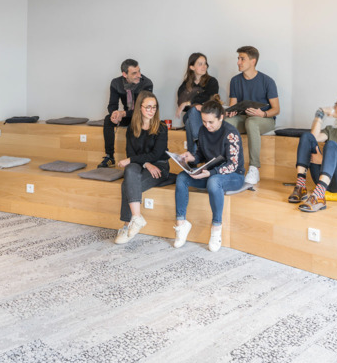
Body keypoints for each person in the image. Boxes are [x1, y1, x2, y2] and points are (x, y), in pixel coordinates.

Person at [172, 98, 244, 252]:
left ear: (221, 118)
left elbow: (232, 165)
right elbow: (201, 155)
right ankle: (181, 224)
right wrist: (191, 158)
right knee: (181, 178)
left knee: (214, 181)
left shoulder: (231, 133)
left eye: (211, 122)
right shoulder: (203, 131)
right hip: (210, 174)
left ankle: (216, 228)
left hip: (233, 176)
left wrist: (210, 173)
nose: (207, 125)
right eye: (204, 121)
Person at [114, 91, 170, 244]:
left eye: (154, 107)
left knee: (127, 184)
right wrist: (145, 163)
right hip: (143, 166)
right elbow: (131, 153)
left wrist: (135, 160)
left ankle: (127, 225)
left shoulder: (162, 128)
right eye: (148, 107)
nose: (152, 111)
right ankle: (137, 217)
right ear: (140, 108)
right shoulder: (133, 128)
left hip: (160, 167)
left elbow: (157, 154)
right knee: (130, 169)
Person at [224, 46, 280, 185]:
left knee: (252, 122)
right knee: (227, 123)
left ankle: (254, 168)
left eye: (242, 59)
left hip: (264, 119)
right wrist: (230, 112)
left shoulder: (267, 81)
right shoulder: (235, 81)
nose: (238, 62)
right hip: (244, 118)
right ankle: (229, 164)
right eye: (238, 59)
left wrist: (263, 113)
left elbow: (276, 109)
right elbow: (233, 106)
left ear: (253, 61)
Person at [100, 58, 153, 168]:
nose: (139, 75)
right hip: (128, 115)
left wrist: (123, 113)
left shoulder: (146, 83)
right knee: (107, 119)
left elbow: (143, 110)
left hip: (142, 116)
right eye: (134, 73)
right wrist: (115, 114)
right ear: (124, 74)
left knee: (134, 125)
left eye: (139, 71)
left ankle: (135, 159)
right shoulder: (116, 83)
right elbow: (112, 105)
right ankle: (110, 156)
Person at [176, 52, 220, 154]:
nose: (204, 66)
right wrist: (195, 105)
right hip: (191, 115)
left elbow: (209, 97)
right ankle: (201, 143)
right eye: (200, 64)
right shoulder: (185, 85)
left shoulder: (212, 82)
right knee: (193, 111)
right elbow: (181, 104)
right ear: (191, 67)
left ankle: (193, 160)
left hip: (207, 117)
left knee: (188, 123)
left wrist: (190, 102)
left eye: (205, 63)